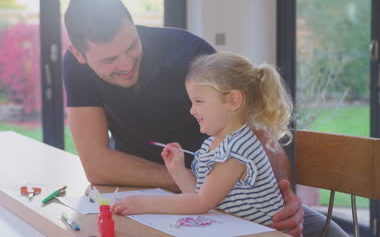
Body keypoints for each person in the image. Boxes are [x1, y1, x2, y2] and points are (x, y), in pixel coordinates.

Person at [62, 0, 346, 236]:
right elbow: (97, 164)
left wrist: (285, 197)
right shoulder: (75, 68)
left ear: (134, 26)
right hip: (190, 192)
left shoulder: (189, 53)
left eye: (133, 46)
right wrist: (193, 181)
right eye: (110, 59)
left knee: (330, 233)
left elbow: (258, 132)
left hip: (230, 198)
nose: (126, 63)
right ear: (78, 54)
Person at [112, 52, 289, 226]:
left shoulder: (237, 150)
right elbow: (200, 194)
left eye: (198, 101)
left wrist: (144, 203)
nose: (192, 110)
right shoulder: (213, 144)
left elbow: (201, 203)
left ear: (233, 101)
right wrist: (178, 170)